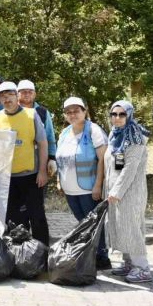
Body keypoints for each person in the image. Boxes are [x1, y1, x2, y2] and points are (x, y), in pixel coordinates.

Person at [0, 81, 49, 245]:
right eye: (3, 96)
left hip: (31, 176)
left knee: (37, 216)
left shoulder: (31, 115)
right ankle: (20, 253)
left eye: (10, 95)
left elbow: (43, 143)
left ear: (17, 96)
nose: (7, 99)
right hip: (7, 178)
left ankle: (42, 253)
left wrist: (42, 171)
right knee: (14, 218)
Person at [55, 96, 111, 269]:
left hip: (89, 188)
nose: (72, 114)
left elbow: (103, 159)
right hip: (70, 189)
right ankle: (89, 253)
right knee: (82, 222)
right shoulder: (64, 133)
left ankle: (102, 256)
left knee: (94, 222)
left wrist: (98, 185)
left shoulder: (93, 130)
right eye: (68, 112)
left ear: (84, 111)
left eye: (76, 111)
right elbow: (60, 160)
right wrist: (59, 180)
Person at [105, 100, 152, 283]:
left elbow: (130, 168)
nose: (117, 118)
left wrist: (117, 190)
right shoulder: (116, 135)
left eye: (122, 114)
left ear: (129, 115)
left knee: (132, 227)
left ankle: (142, 267)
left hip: (130, 191)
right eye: (114, 114)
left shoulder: (135, 137)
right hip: (116, 191)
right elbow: (117, 163)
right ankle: (129, 263)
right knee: (120, 225)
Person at [17, 79, 57, 173]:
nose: (27, 94)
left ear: (34, 94)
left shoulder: (42, 112)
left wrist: (52, 157)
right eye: (23, 92)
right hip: (15, 163)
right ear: (17, 94)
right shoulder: (11, 111)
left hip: (38, 163)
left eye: (30, 92)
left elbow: (50, 136)